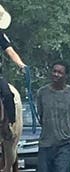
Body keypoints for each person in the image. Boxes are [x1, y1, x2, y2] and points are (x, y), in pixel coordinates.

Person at [36, 61, 70, 172]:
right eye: (54, 71)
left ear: (66, 76)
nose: (56, 74)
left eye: (60, 72)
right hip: (45, 145)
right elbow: (41, 116)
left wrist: (65, 130)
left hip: (64, 145)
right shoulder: (42, 93)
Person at [0, 4, 26, 140]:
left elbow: (10, 51)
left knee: (7, 94)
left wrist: (21, 65)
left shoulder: (0, 35)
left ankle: (8, 125)